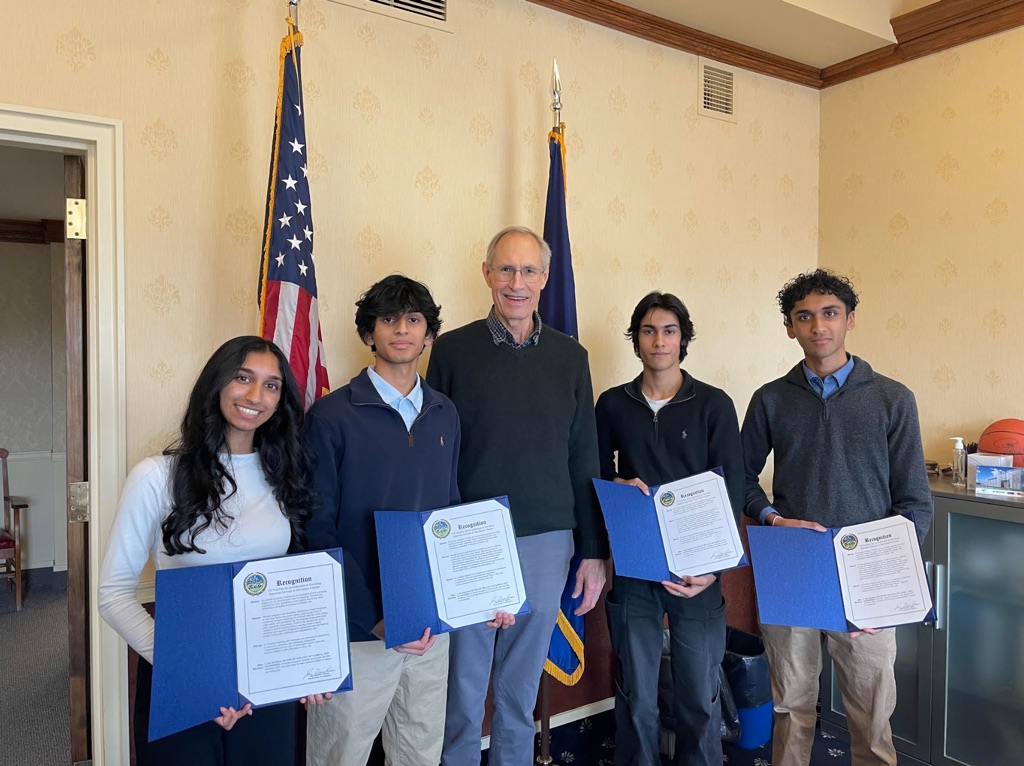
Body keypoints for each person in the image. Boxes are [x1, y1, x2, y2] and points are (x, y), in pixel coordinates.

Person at [303, 275, 513, 766]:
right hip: (359, 630)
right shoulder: (331, 416)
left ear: (428, 334)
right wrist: (374, 618)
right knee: (340, 754)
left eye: (414, 319)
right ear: (368, 332)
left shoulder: (445, 413)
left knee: (420, 751)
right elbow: (316, 529)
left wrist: (480, 593)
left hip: (429, 627)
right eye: (389, 319)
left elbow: (452, 511)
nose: (402, 329)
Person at [98, 336, 327, 766]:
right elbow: (113, 594)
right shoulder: (156, 476)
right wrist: (191, 674)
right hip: (184, 675)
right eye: (243, 378)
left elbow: (293, 584)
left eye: (271, 385)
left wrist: (311, 662)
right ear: (216, 383)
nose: (255, 396)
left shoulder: (285, 475)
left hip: (265, 682)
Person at [426, 226, 608, 766]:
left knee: (519, 690)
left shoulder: (571, 357)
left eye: (529, 271)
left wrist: (592, 551)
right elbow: (438, 451)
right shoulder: (453, 351)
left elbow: (584, 456)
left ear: (546, 278)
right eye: (505, 269)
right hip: (470, 539)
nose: (517, 283)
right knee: (463, 688)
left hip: (547, 541)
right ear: (487, 274)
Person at [741, 269, 933, 766]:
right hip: (793, 566)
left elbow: (915, 501)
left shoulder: (892, 398)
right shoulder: (770, 399)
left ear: (850, 320)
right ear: (790, 328)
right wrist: (772, 518)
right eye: (804, 317)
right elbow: (739, 479)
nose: (818, 326)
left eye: (829, 313)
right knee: (791, 706)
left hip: (865, 575)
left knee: (872, 716)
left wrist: (886, 585)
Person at [595, 291, 744, 766]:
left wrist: (714, 570)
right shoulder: (612, 404)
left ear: (683, 339)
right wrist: (616, 483)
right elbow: (595, 476)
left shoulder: (714, 404)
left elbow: (732, 489)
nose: (659, 341)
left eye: (669, 331)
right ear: (636, 340)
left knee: (698, 693)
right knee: (637, 692)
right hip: (635, 565)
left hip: (697, 570)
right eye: (648, 331)